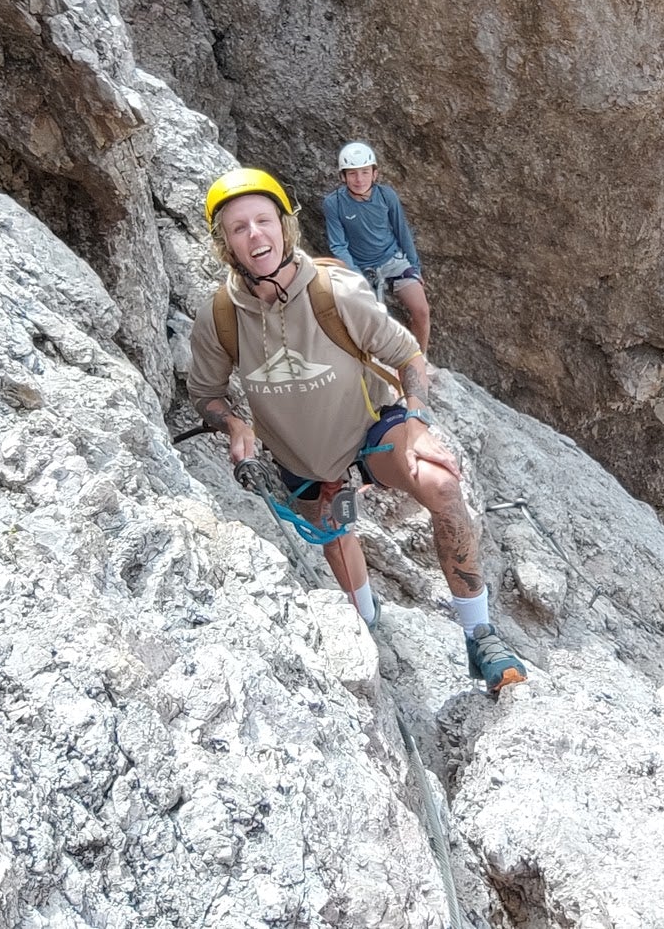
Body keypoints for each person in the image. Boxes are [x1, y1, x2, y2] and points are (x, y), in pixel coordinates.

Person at [187, 166, 527, 692]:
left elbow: (407, 355)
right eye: (238, 228)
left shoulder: (334, 289)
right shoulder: (220, 316)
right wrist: (233, 423)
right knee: (336, 532)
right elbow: (205, 394)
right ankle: (367, 627)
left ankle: (479, 634)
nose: (255, 234)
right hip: (304, 457)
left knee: (440, 484)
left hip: (371, 431)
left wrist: (415, 421)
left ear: (283, 225)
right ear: (226, 244)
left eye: (263, 220)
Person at [323, 141, 432, 353]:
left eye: (365, 172)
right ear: (342, 176)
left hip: (392, 260)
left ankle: (419, 360)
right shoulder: (334, 203)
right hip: (362, 267)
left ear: (375, 174)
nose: (359, 179)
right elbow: (338, 245)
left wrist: (414, 267)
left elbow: (402, 231)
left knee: (422, 311)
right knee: (376, 322)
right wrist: (356, 278)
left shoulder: (386, 196)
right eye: (352, 173)